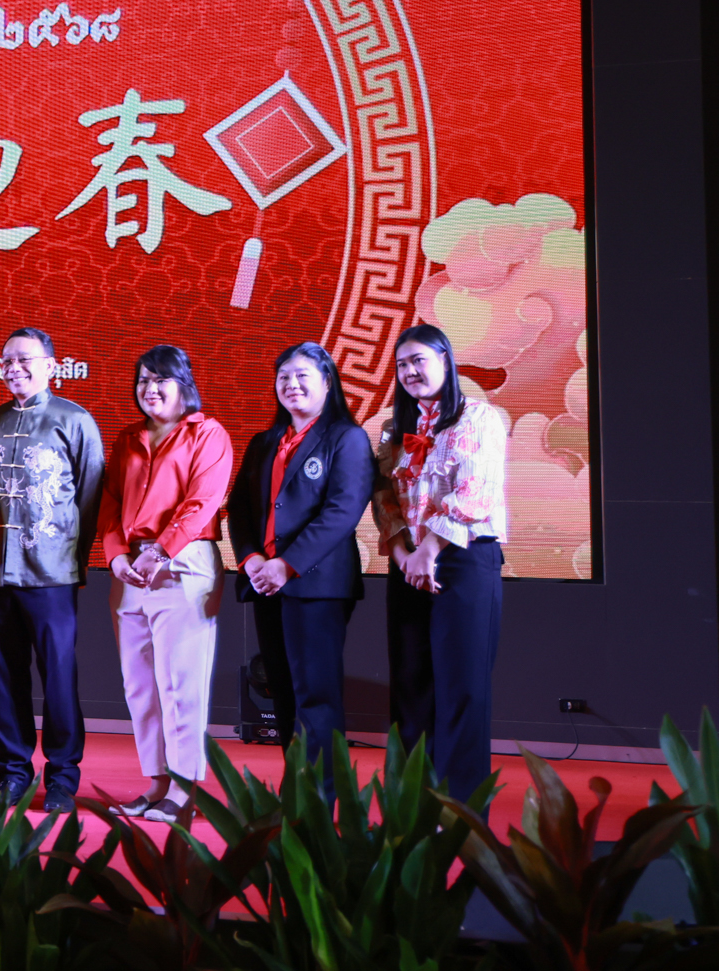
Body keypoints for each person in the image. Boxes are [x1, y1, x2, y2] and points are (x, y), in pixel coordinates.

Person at [227, 342, 375, 798]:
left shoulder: (347, 438)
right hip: (266, 585)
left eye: (302, 376)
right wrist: (252, 559)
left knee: (317, 697)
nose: (291, 384)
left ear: (327, 383)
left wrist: (286, 565)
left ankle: (321, 806)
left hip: (316, 586)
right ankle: (296, 798)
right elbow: (239, 509)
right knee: (285, 695)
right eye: (283, 377)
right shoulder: (264, 442)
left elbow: (342, 512)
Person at [97, 345, 234, 823]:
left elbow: (203, 501)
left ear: (184, 385)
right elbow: (110, 501)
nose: (150, 389)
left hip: (182, 564)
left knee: (181, 683)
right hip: (131, 569)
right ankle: (156, 784)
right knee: (140, 685)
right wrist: (115, 555)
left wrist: (161, 551)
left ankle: (184, 789)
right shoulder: (128, 437)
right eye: (143, 380)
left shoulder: (207, 433)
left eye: (161, 380)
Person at [372, 323, 508, 800]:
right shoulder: (393, 431)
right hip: (408, 564)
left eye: (419, 360)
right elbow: (385, 501)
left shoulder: (479, 417)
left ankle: (460, 817)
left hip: (463, 559)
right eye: (402, 365)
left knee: (462, 691)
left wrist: (428, 551)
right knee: (410, 687)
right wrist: (405, 556)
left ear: (445, 361)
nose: (410, 371)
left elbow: (476, 492)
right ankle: (411, 811)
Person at [0, 328, 105, 813]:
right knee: (4, 679)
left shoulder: (75, 420)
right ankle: (12, 775)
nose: (14, 369)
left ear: (51, 365)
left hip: (52, 575)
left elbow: (90, 497)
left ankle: (63, 778)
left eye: (24, 360)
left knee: (58, 678)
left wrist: (72, 558)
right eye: (6, 361)